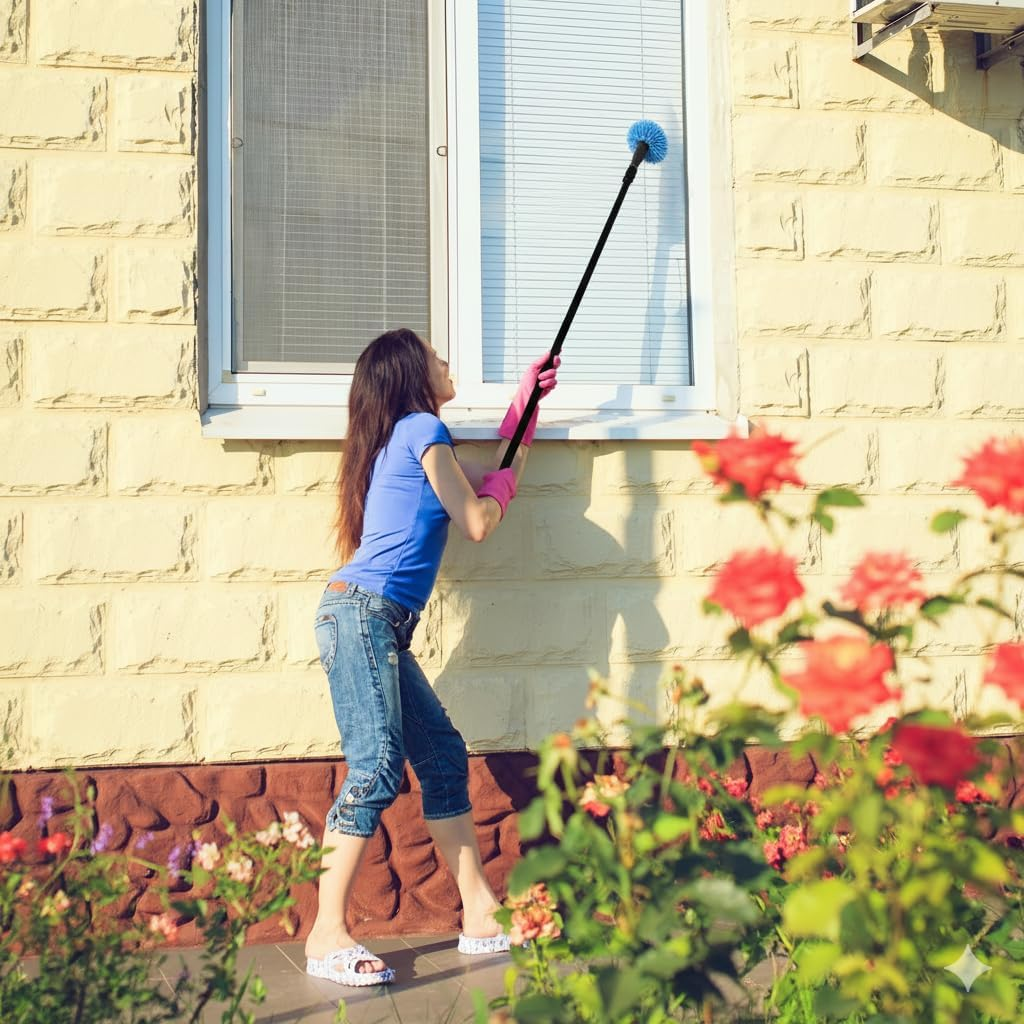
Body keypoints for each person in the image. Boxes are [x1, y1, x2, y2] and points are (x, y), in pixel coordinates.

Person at [304, 327, 560, 987]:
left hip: (374, 623)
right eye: (437, 357)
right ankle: (326, 933)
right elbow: (478, 517)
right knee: (377, 766)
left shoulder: (413, 438)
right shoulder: (422, 429)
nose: (447, 364)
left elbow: (494, 475)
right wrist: (498, 492)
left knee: (440, 756)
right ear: (412, 375)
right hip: (363, 616)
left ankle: (479, 914)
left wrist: (524, 408)